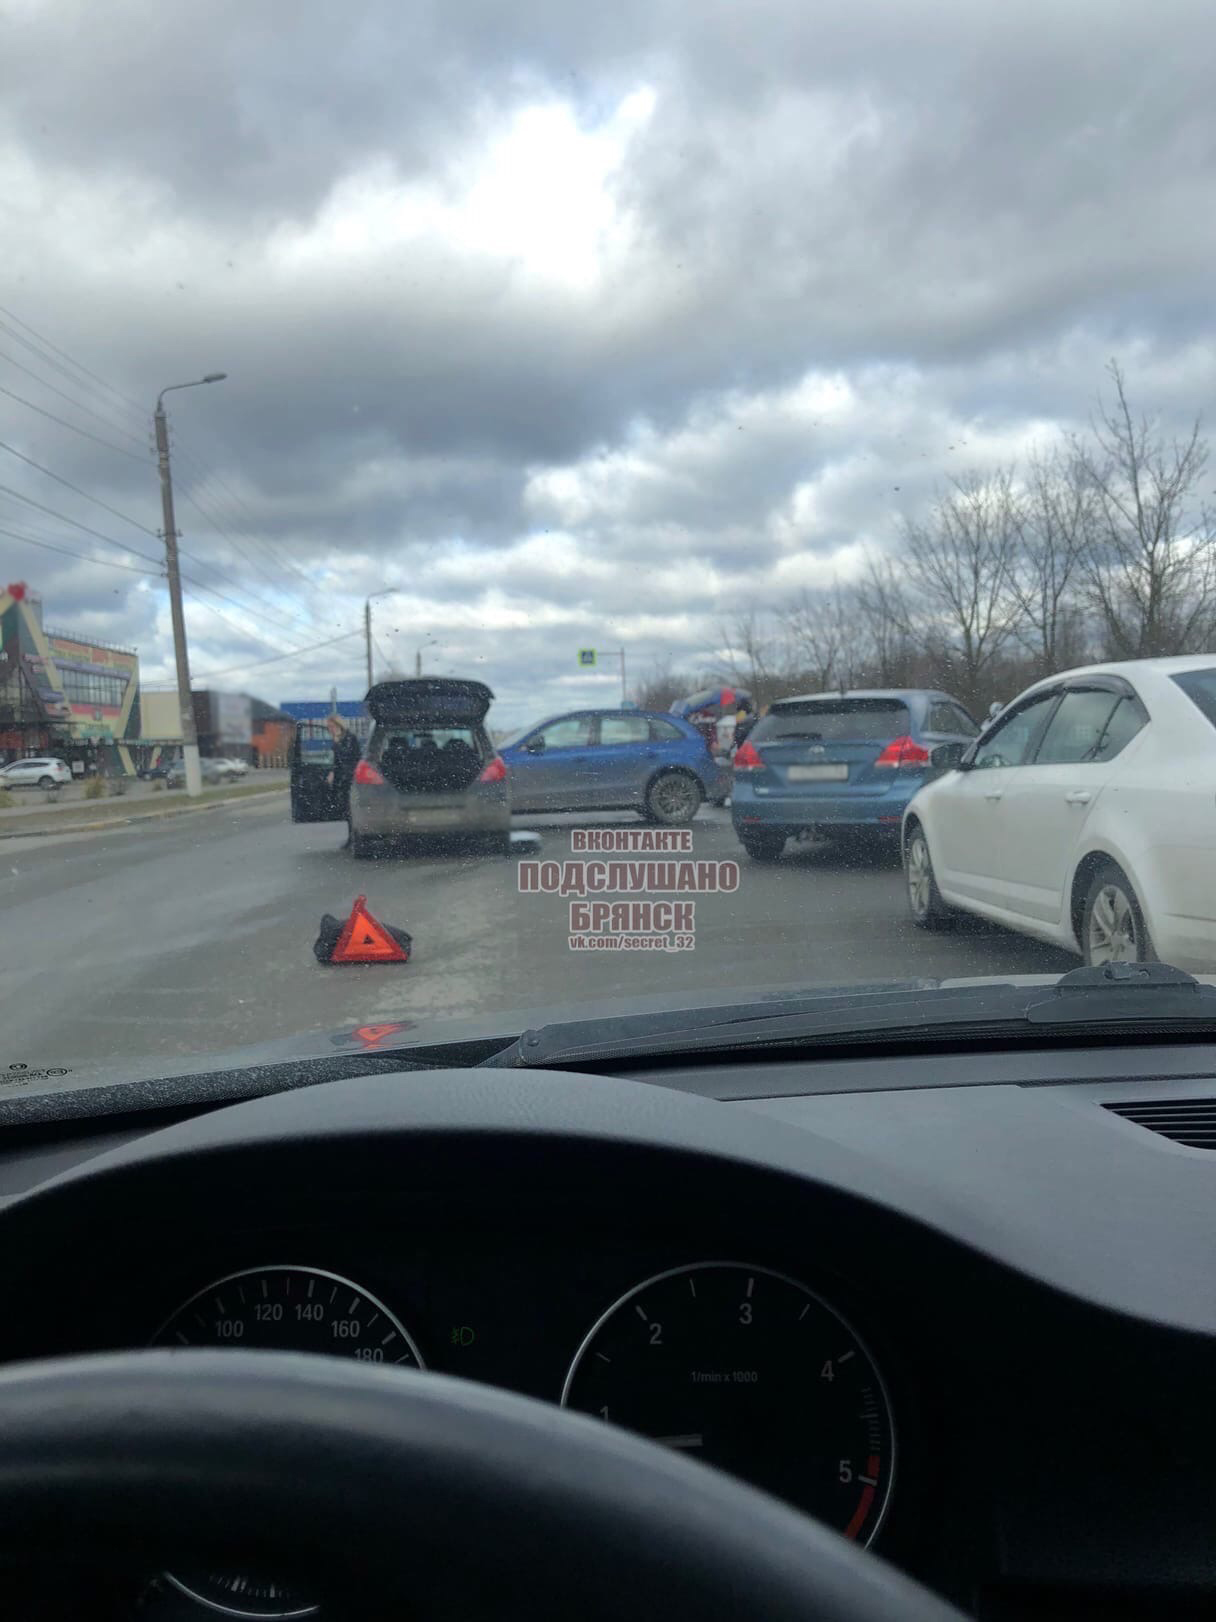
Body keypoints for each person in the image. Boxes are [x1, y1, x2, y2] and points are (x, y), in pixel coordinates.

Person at [326, 715, 362, 848]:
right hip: (342, 779)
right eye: (328, 727)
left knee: (352, 810)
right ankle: (351, 837)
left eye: (331, 726)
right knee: (346, 811)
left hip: (351, 778)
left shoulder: (349, 738)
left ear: (338, 725)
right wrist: (332, 772)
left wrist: (336, 743)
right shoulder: (339, 739)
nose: (329, 729)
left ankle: (355, 838)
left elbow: (348, 757)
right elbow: (337, 761)